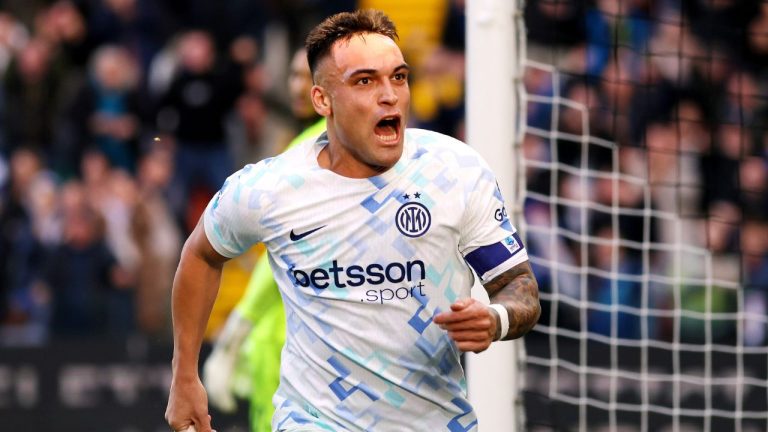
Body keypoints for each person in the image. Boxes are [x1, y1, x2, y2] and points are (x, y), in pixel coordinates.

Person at [165, 9, 540, 432]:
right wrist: (184, 375)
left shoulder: (453, 170)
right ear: (322, 100)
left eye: (398, 77)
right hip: (313, 421)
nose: (390, 95)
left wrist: (496, 319)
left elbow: (518, 287)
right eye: (365, 81)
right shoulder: (272, 187)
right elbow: (200, 253)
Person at [202, 47, 326, 432]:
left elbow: (289, 245)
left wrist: (243, 320)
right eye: (292, 75)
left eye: (308, 76)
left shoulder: (315, 149)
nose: (298, 86)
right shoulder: (309, 142)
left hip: (296, 339)